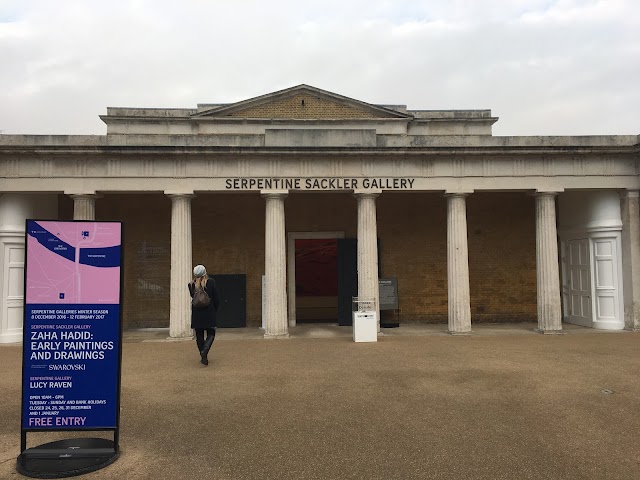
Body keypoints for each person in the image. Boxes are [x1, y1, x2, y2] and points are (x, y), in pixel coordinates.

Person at [188, 264, 220, 365]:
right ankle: (205, 350)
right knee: (211, 333)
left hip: (197, 312)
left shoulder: (191, 284)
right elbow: (216, 298)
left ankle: (203, 354)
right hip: (209, 311)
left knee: (199, 334)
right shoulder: (211, 282)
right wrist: (214, 309)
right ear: (205, 272)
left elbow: (194, 297)